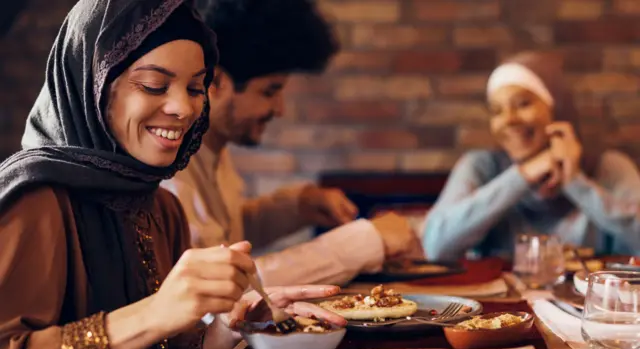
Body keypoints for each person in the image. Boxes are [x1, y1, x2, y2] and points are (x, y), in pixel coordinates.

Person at [0, 1, 345, 349]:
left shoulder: (161, 207)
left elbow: (162, 347)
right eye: (153, 85)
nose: (183, 108)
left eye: (196, 88)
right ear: (93, 86)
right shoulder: (35, 199)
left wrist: (229, 326)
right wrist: (155, 313)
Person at [162, 0, 421, 287]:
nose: (280, 109)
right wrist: (365, 241)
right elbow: (216, 288)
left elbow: (223, 235)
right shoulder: (170, 169)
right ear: (215, 82)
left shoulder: (214, 150)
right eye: (270, 91)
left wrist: (297, 206)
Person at [423, 52, 640, 261]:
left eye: (522, 104)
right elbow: (435, 246)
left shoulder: (608, 166)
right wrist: (523, 175)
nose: (508, 120)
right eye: (497, 111)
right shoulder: (481, 166)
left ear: (556, 108)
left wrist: (575, 182)